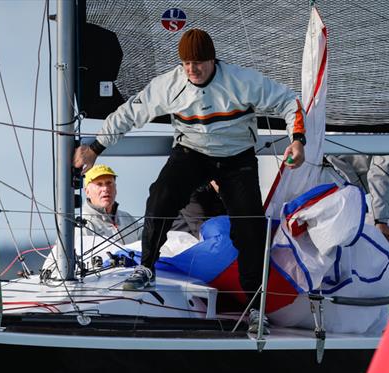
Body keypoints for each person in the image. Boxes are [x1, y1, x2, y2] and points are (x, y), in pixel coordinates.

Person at [73, 28, 306, 332]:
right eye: (186, 64)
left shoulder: (241, 82)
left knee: (250, 225)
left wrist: (297, 140)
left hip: (237, 158)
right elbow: (129, 114)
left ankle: (255, 306)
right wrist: (94, 148)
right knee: (161, 195)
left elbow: (289, 101)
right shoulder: (169, 85)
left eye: (199, 63)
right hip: (192, 152)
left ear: (213, 60)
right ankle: (146, 266)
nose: (193, 70)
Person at [79, 164, 140, 246]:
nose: (105, 189)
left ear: (116, 188)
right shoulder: (81, 224)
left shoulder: (129, 218)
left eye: (109, 183)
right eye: (99, 184)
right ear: (87, 192)